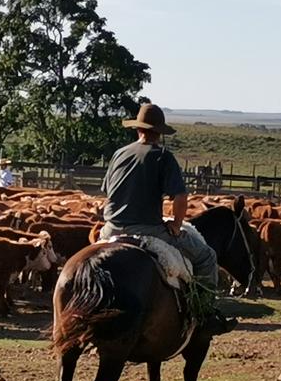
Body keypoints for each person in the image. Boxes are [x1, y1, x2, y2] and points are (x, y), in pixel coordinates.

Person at [99, 103, 236, 333]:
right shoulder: (162, 156)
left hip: (110, 229)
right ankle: (205, 314)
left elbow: (107, 191)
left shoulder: (119, 154)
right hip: (147, 229)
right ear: (160, 133)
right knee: (206, 257)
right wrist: (175, 223)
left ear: (138, 129)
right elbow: (180, 197)